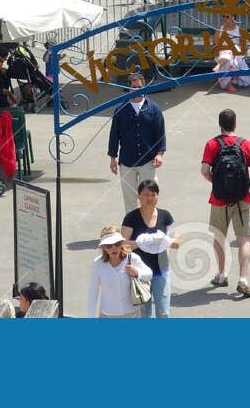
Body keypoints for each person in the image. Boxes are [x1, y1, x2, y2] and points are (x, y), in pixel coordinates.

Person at [201, 108, 250, 298]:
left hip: (219, 198)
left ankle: (222, 275)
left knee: (218, 237)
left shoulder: (212, 144)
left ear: (220, 124)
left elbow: (204, 170)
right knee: (244, 240)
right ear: (235, 124)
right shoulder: (245, 144)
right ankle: (243, 279)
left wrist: (215, 182)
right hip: (242, 199)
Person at [107, 69, 166, 212]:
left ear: (144, 87)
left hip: (148, 161)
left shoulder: (154, 109)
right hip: (127, 162)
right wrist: (113, 158)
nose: (137, 90)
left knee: (149, 197)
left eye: (140, 87)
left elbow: (160, 134)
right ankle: (132, 230)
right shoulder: (120, 109)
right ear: (128, 89)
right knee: (129, 200)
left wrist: (160, 154)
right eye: (134, 88)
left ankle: (150, 225)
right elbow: (114, 134)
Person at [121, 178, 176, 318]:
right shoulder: (131, 217)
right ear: (139, 196)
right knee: (143, 315)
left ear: (157, 196)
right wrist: (140, 243)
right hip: (139, 273)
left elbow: (177, 242)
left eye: (153, 195)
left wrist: (163, 241)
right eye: (146, 195)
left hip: (161, 272)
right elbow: (123, 245)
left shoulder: (165, 216)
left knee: (163, 313)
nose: (149, 198)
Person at [86, 230, 151, 318]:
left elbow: (149, 274)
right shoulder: (97, 263)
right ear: (103, 248)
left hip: (132, 314)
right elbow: (93, 291)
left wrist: (137, 272)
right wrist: (90, 316)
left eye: (117, 244)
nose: (114, 248)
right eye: (109, 246)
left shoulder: (132, 258)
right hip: (108, 315)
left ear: (122, 244)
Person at [213, 16, 250, 92]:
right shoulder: (220, 29)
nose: (224, 18)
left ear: (233, 18)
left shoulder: (239, 29)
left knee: (232, 55)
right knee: (229, 55)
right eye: (223, 16)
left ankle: (219, 67)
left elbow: (242, 43)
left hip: (236, 50)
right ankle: (228, 84)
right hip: (222, 49)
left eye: (227, 17)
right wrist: (226, 45)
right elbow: (216, 42)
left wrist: (232, 46)